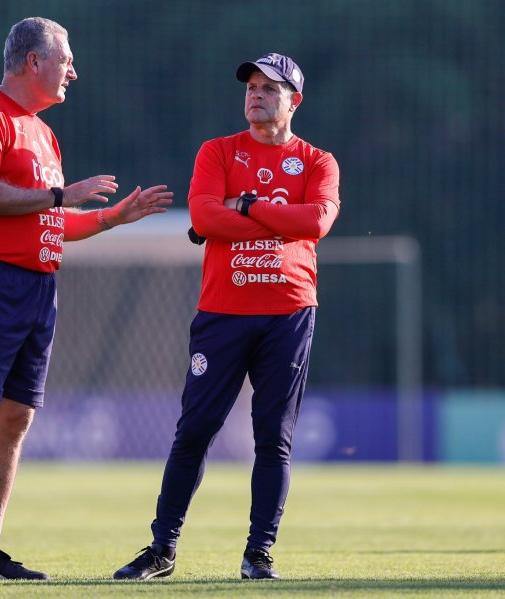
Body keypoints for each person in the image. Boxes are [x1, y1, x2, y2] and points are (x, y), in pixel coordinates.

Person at [0, 17, 173, 582]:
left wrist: (109, 217)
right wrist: (60, 194)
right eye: (66, 59)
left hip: (36, 286)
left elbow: (50, 222)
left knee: (16, 417)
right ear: (34, 61)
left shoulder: (44, 133)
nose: (74, 71)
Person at [113, 52, 340, 581]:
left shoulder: (317, 161)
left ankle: (258, 554)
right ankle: (162, 549)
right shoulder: (217, 151)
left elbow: (317, 221)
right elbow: (203, 216)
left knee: (273, 439)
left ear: (294, 101)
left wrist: (246, 206)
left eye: (269, 88)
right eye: (251, 87)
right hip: (222, 312)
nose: (255, 95)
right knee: (194, 430)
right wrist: (271, 220)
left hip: (288, 314)